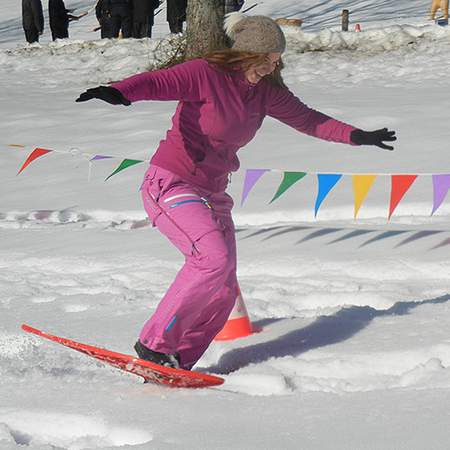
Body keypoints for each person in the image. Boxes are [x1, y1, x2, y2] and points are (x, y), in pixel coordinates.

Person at [75, 13, 396, 370]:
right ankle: (154, 344)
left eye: (278, 59)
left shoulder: (265, 93)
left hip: (213, 192)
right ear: (248, 53)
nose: (275, 64)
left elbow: (309, 120)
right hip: (172, 182)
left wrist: (357, 136)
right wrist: (121, 91)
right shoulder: (205, 74)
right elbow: (157, 82)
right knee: (213, 261)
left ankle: (178, 361)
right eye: (269, 58)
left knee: (224, 289)